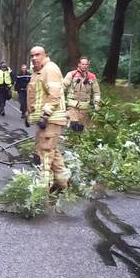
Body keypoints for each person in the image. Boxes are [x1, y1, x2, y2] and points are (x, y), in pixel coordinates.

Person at [26, 46, 69, 191]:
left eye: (37, 55)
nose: (34, 58)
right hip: (47, 119)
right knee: (53, 152)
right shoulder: (38, 72)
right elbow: (35, 97)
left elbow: (54, 95)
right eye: (32, 55)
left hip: (51, 118)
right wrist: (30, 116)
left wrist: (45, 115)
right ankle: (62, 184)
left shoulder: (50, 69)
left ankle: (42, 190)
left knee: (44, 152)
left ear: (45, 55)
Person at [63, 56, 101, 132]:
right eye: (82, 64)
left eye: (86, 64)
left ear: (88, 65)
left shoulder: (92, 77)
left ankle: (74, 141)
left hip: (84, 107)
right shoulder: (71, 74)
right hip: (72, 106)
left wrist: (96, 104)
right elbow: (62, 88)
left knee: (80, 129)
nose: (84, 66)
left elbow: (96, 92)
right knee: (73, 125)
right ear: (79, 64)